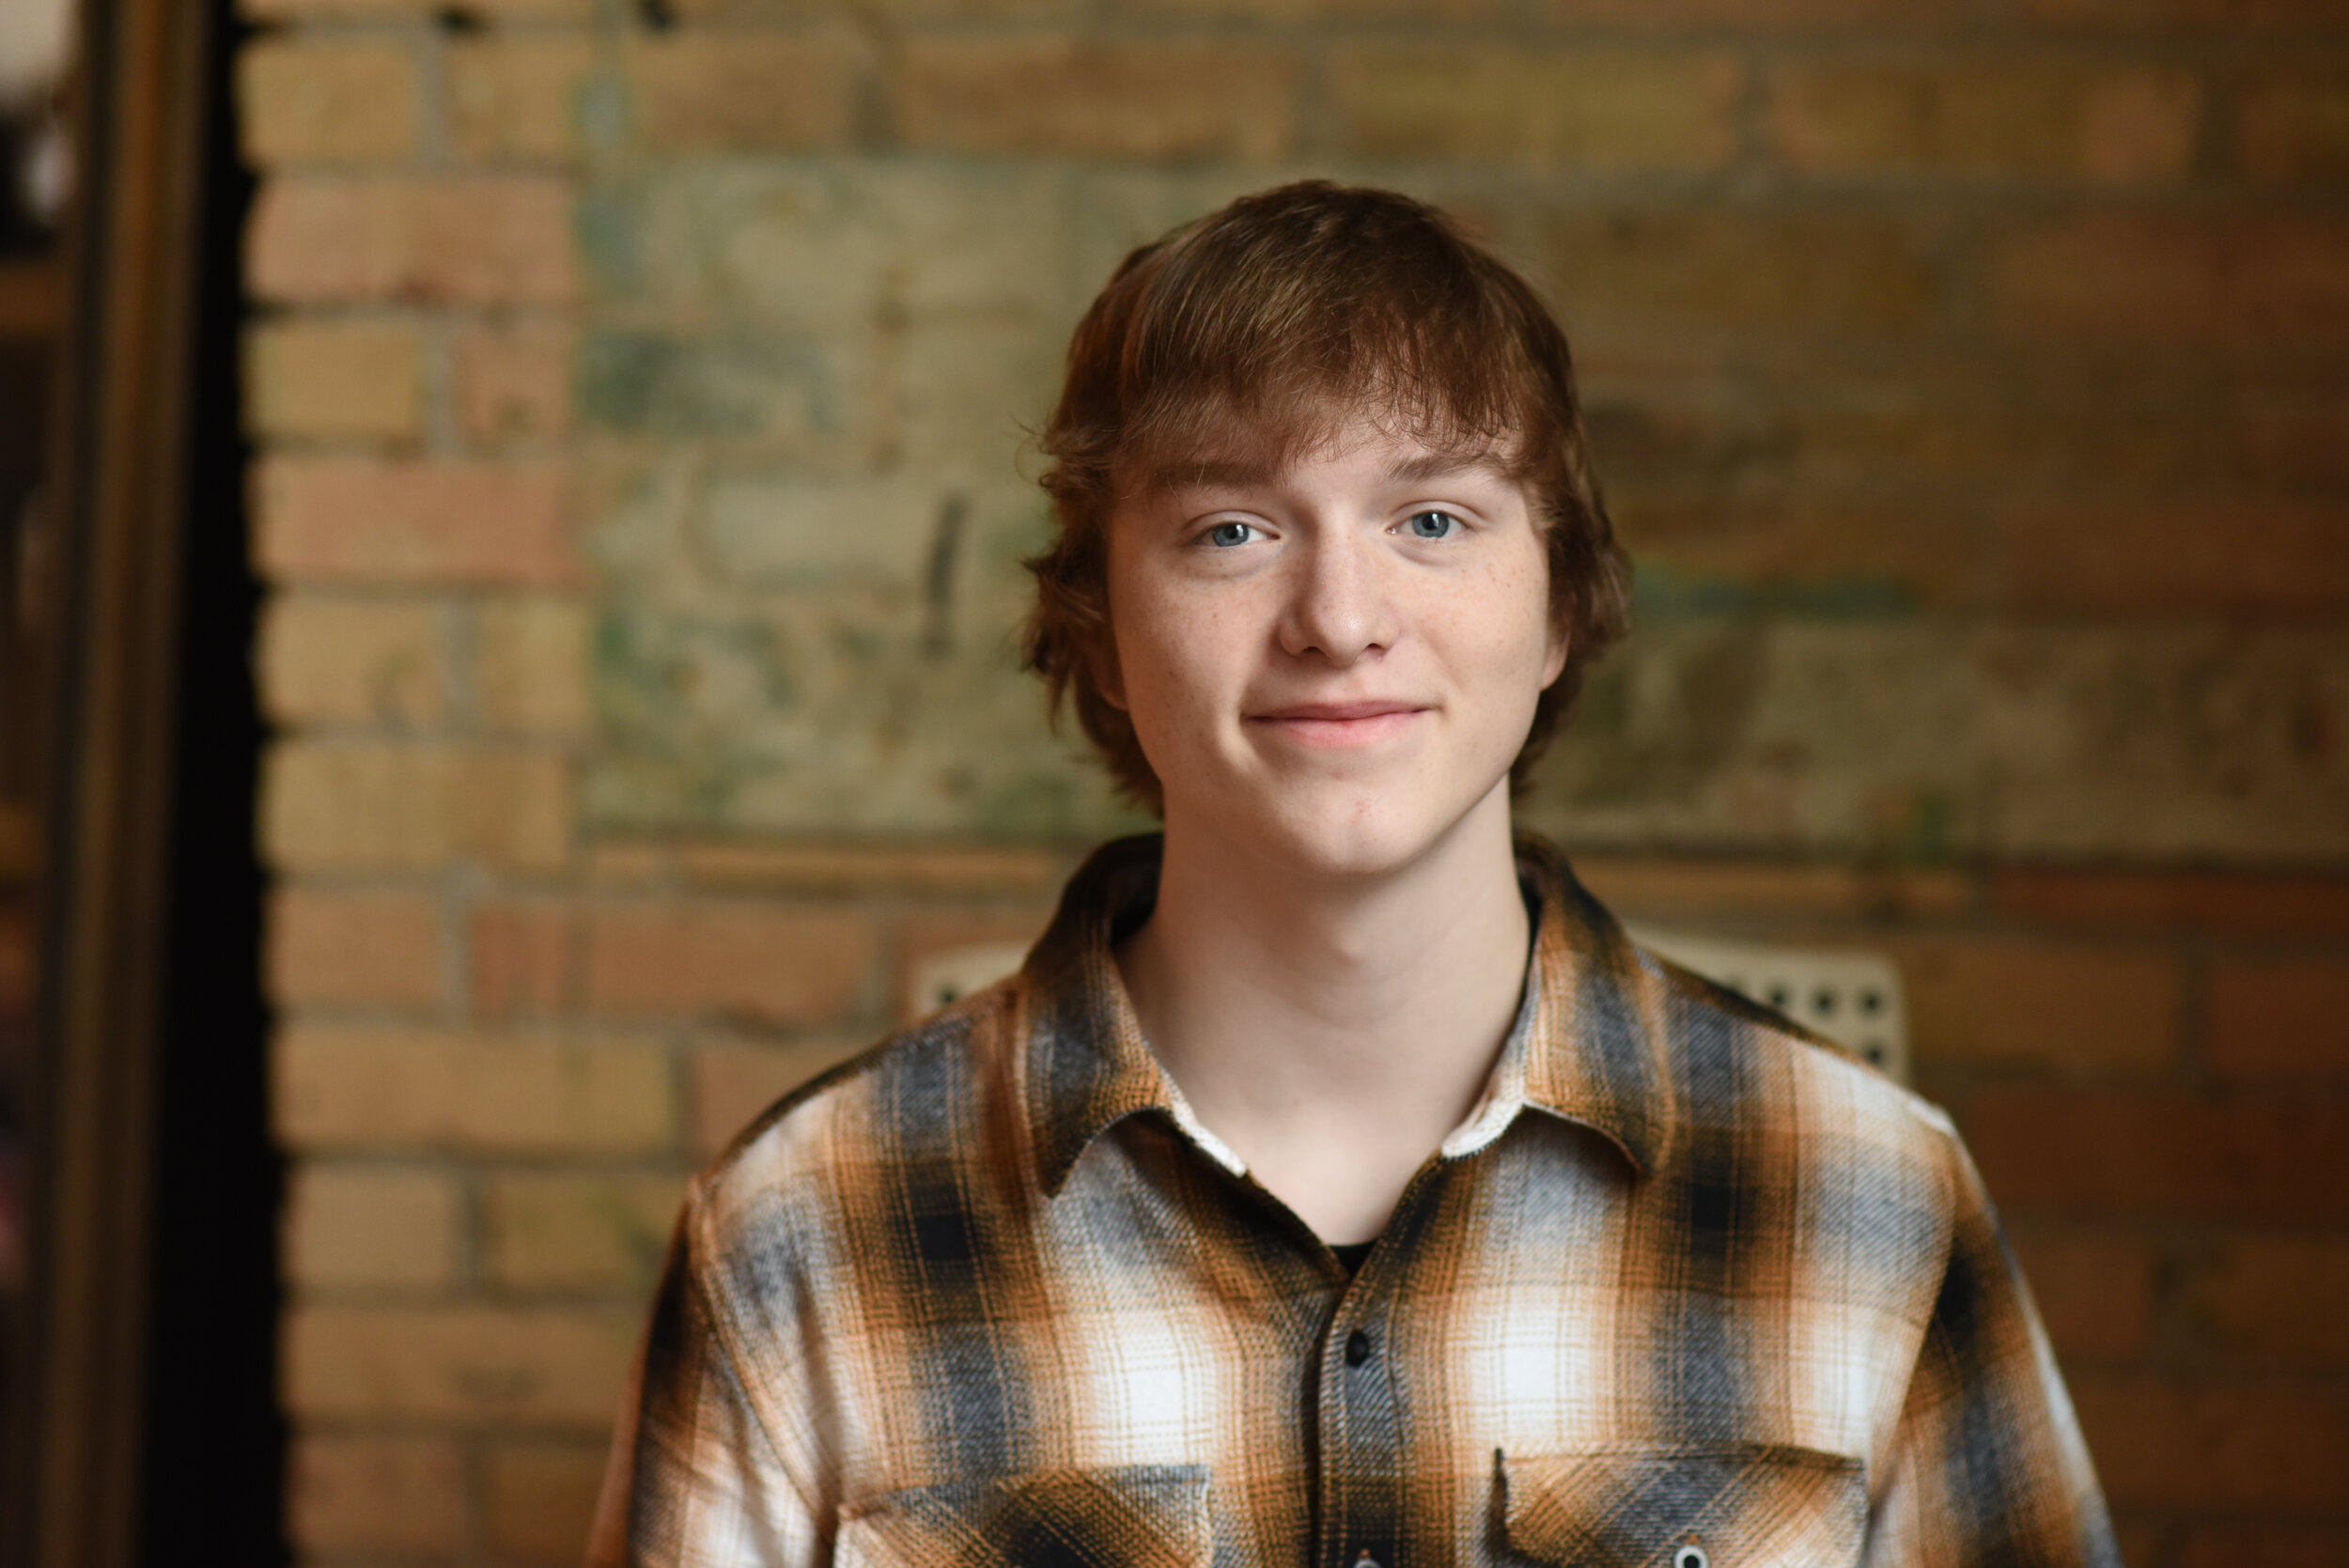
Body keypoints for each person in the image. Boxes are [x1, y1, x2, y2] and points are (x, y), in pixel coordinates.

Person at [587, 181, 2121, 1568]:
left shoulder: (1872, 1198)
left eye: (1431, 518)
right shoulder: (799, 1232)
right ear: (1102, 627)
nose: (1338, 616)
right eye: (1233, 529)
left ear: (1560, 605)